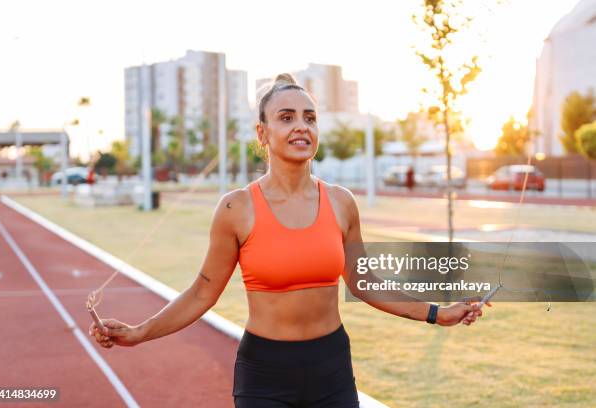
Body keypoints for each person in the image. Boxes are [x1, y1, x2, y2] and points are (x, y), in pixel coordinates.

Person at [89, 73, 489, 407]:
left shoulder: (342, 203)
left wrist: (438, 313)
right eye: (287, 117)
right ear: (263, 133)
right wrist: (140, 332)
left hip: (331, 366)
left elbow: (364, 283)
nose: (302, 126)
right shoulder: (236, 209)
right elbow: (201, 294)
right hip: (264, 373)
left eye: (310, 118)